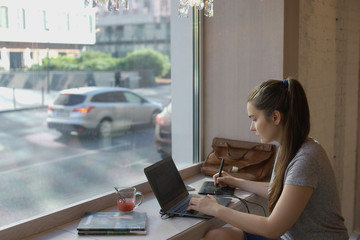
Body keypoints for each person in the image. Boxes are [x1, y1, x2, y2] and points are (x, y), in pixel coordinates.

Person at [187, 79, 349, 240]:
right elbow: (280, 190)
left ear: (275, 117)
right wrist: (235, 181)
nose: (251, 127)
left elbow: (272, 228)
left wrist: (215, 209)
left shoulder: (306, 159)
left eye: (254, 119)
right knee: (217, 236)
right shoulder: (290, 147)